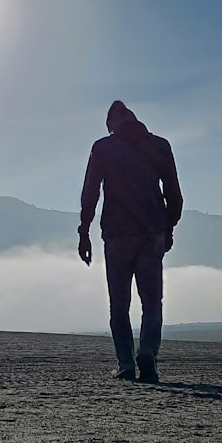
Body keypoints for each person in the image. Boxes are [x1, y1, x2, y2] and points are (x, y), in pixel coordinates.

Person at [78, 100, 183, 383]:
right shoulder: (160, 146)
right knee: (152, 301)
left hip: (117, 233)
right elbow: (174, 193)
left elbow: (90, 192)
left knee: (119, 304)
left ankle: (126, 364)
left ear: (112, 126)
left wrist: (84, 230)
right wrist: (168, 227)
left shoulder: (103, 148)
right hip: (152, 231)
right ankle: (148, 350)